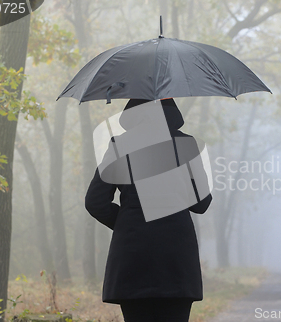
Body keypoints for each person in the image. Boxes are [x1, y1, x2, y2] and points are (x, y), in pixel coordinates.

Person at [85, 98, 213, 322]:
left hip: (133, 255)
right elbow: (201, 203)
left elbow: (95, 201)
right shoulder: (187, 144)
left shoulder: (120, 144)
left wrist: (127, 222)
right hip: (177, 258)